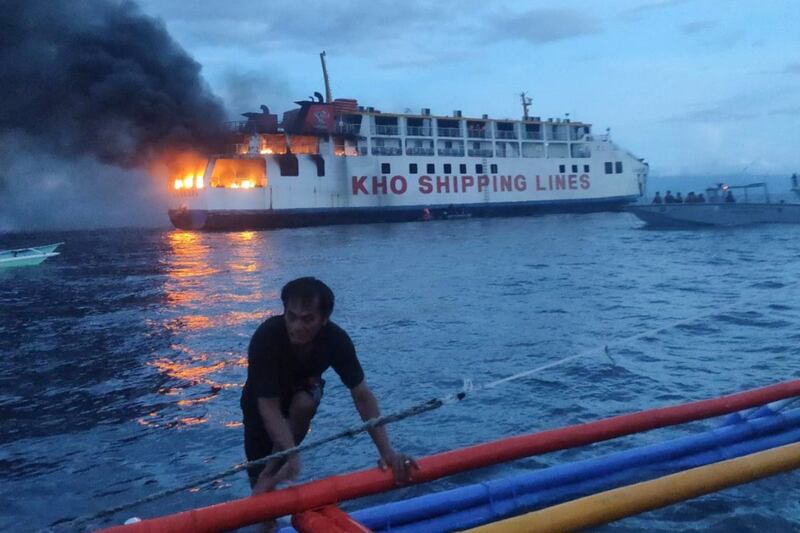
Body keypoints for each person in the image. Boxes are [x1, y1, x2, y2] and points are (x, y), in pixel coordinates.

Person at [241, 277, 418, 497]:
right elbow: (268, 407)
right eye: (292, 317)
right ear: (284, 312)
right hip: (261, 402)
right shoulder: (266, 337)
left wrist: (387, 452)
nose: (297, 327)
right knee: (260, 481)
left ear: (324, 319)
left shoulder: (336, 340)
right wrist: (292, 453)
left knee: (304, 404)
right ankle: (267, 493)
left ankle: (273, 475)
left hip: (303, 390)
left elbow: (362, 395)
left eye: (308, 320)